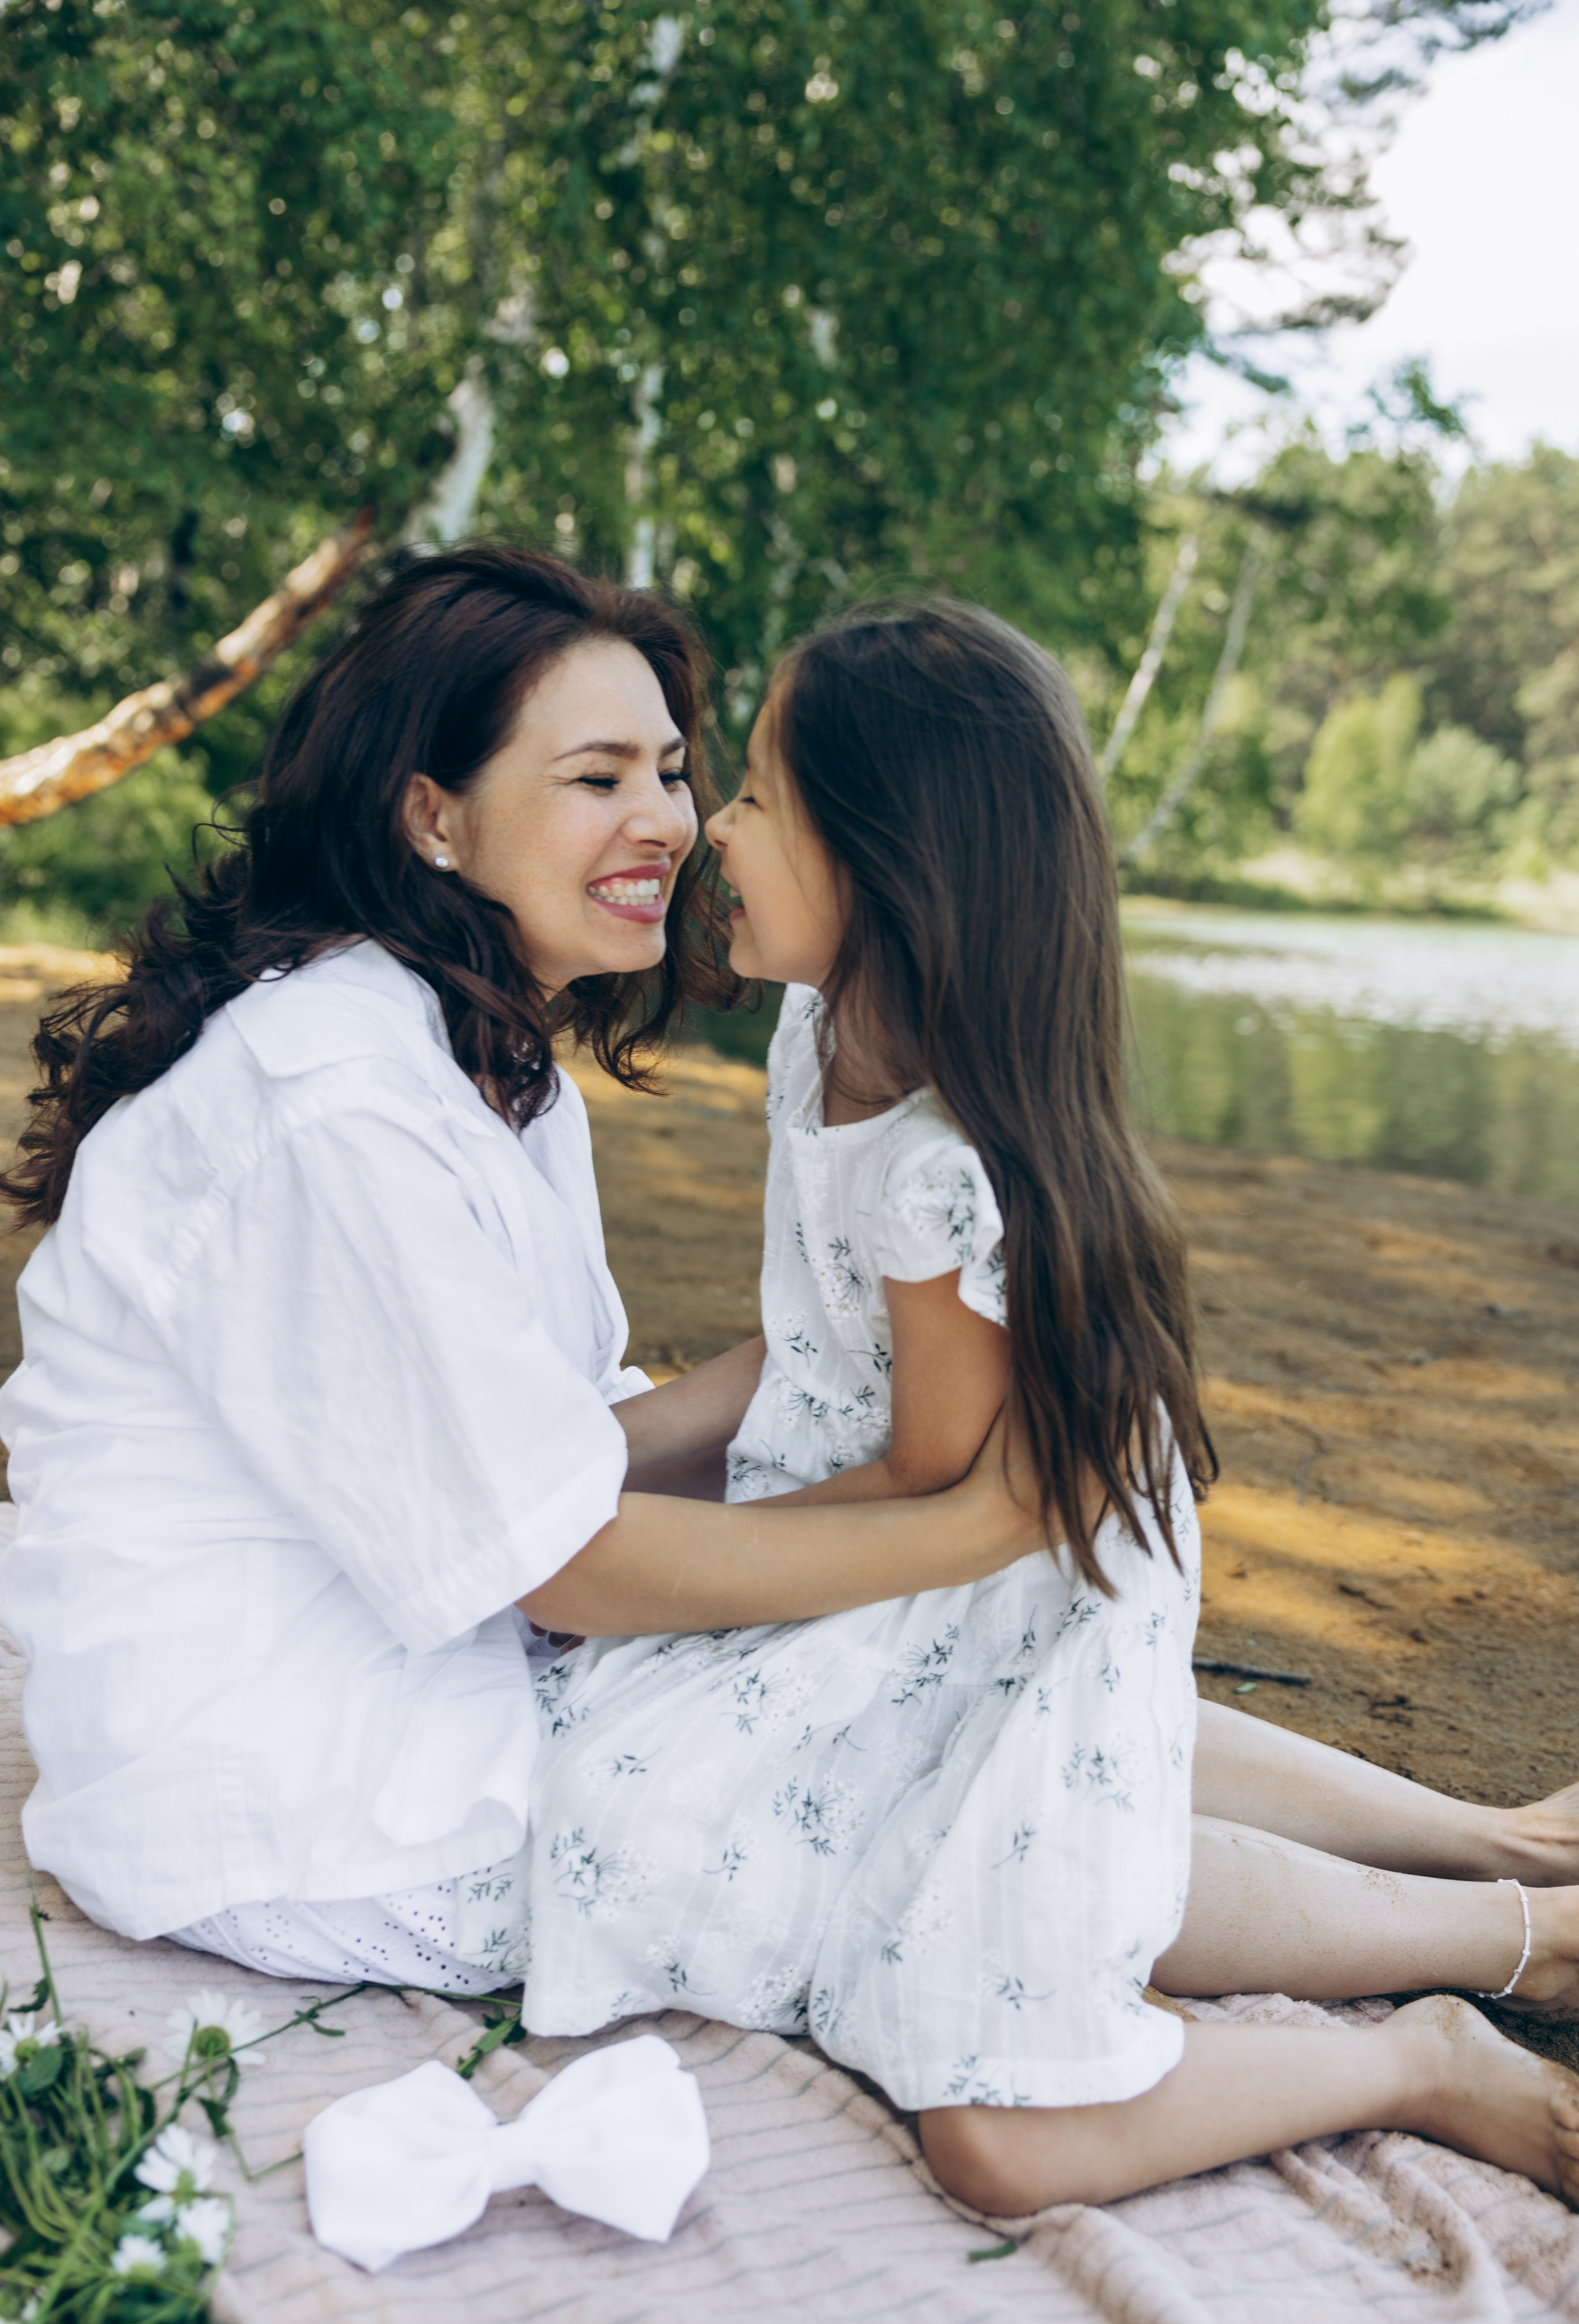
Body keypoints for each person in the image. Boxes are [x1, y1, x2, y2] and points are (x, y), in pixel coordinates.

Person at [0, 551, 1575, 2216]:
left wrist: (857, 1403)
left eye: (679, 772)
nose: (672, 824)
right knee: (931, 1769)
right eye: (598, 778)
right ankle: (1505, 1939)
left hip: (436, 1659)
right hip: (321, 1792)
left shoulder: (476, 1057)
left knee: (957, 1683)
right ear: (433, 817)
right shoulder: (336, 1108)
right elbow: (570, 1557)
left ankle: (1503, 1853)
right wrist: (982, 1523)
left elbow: (572, 1443)